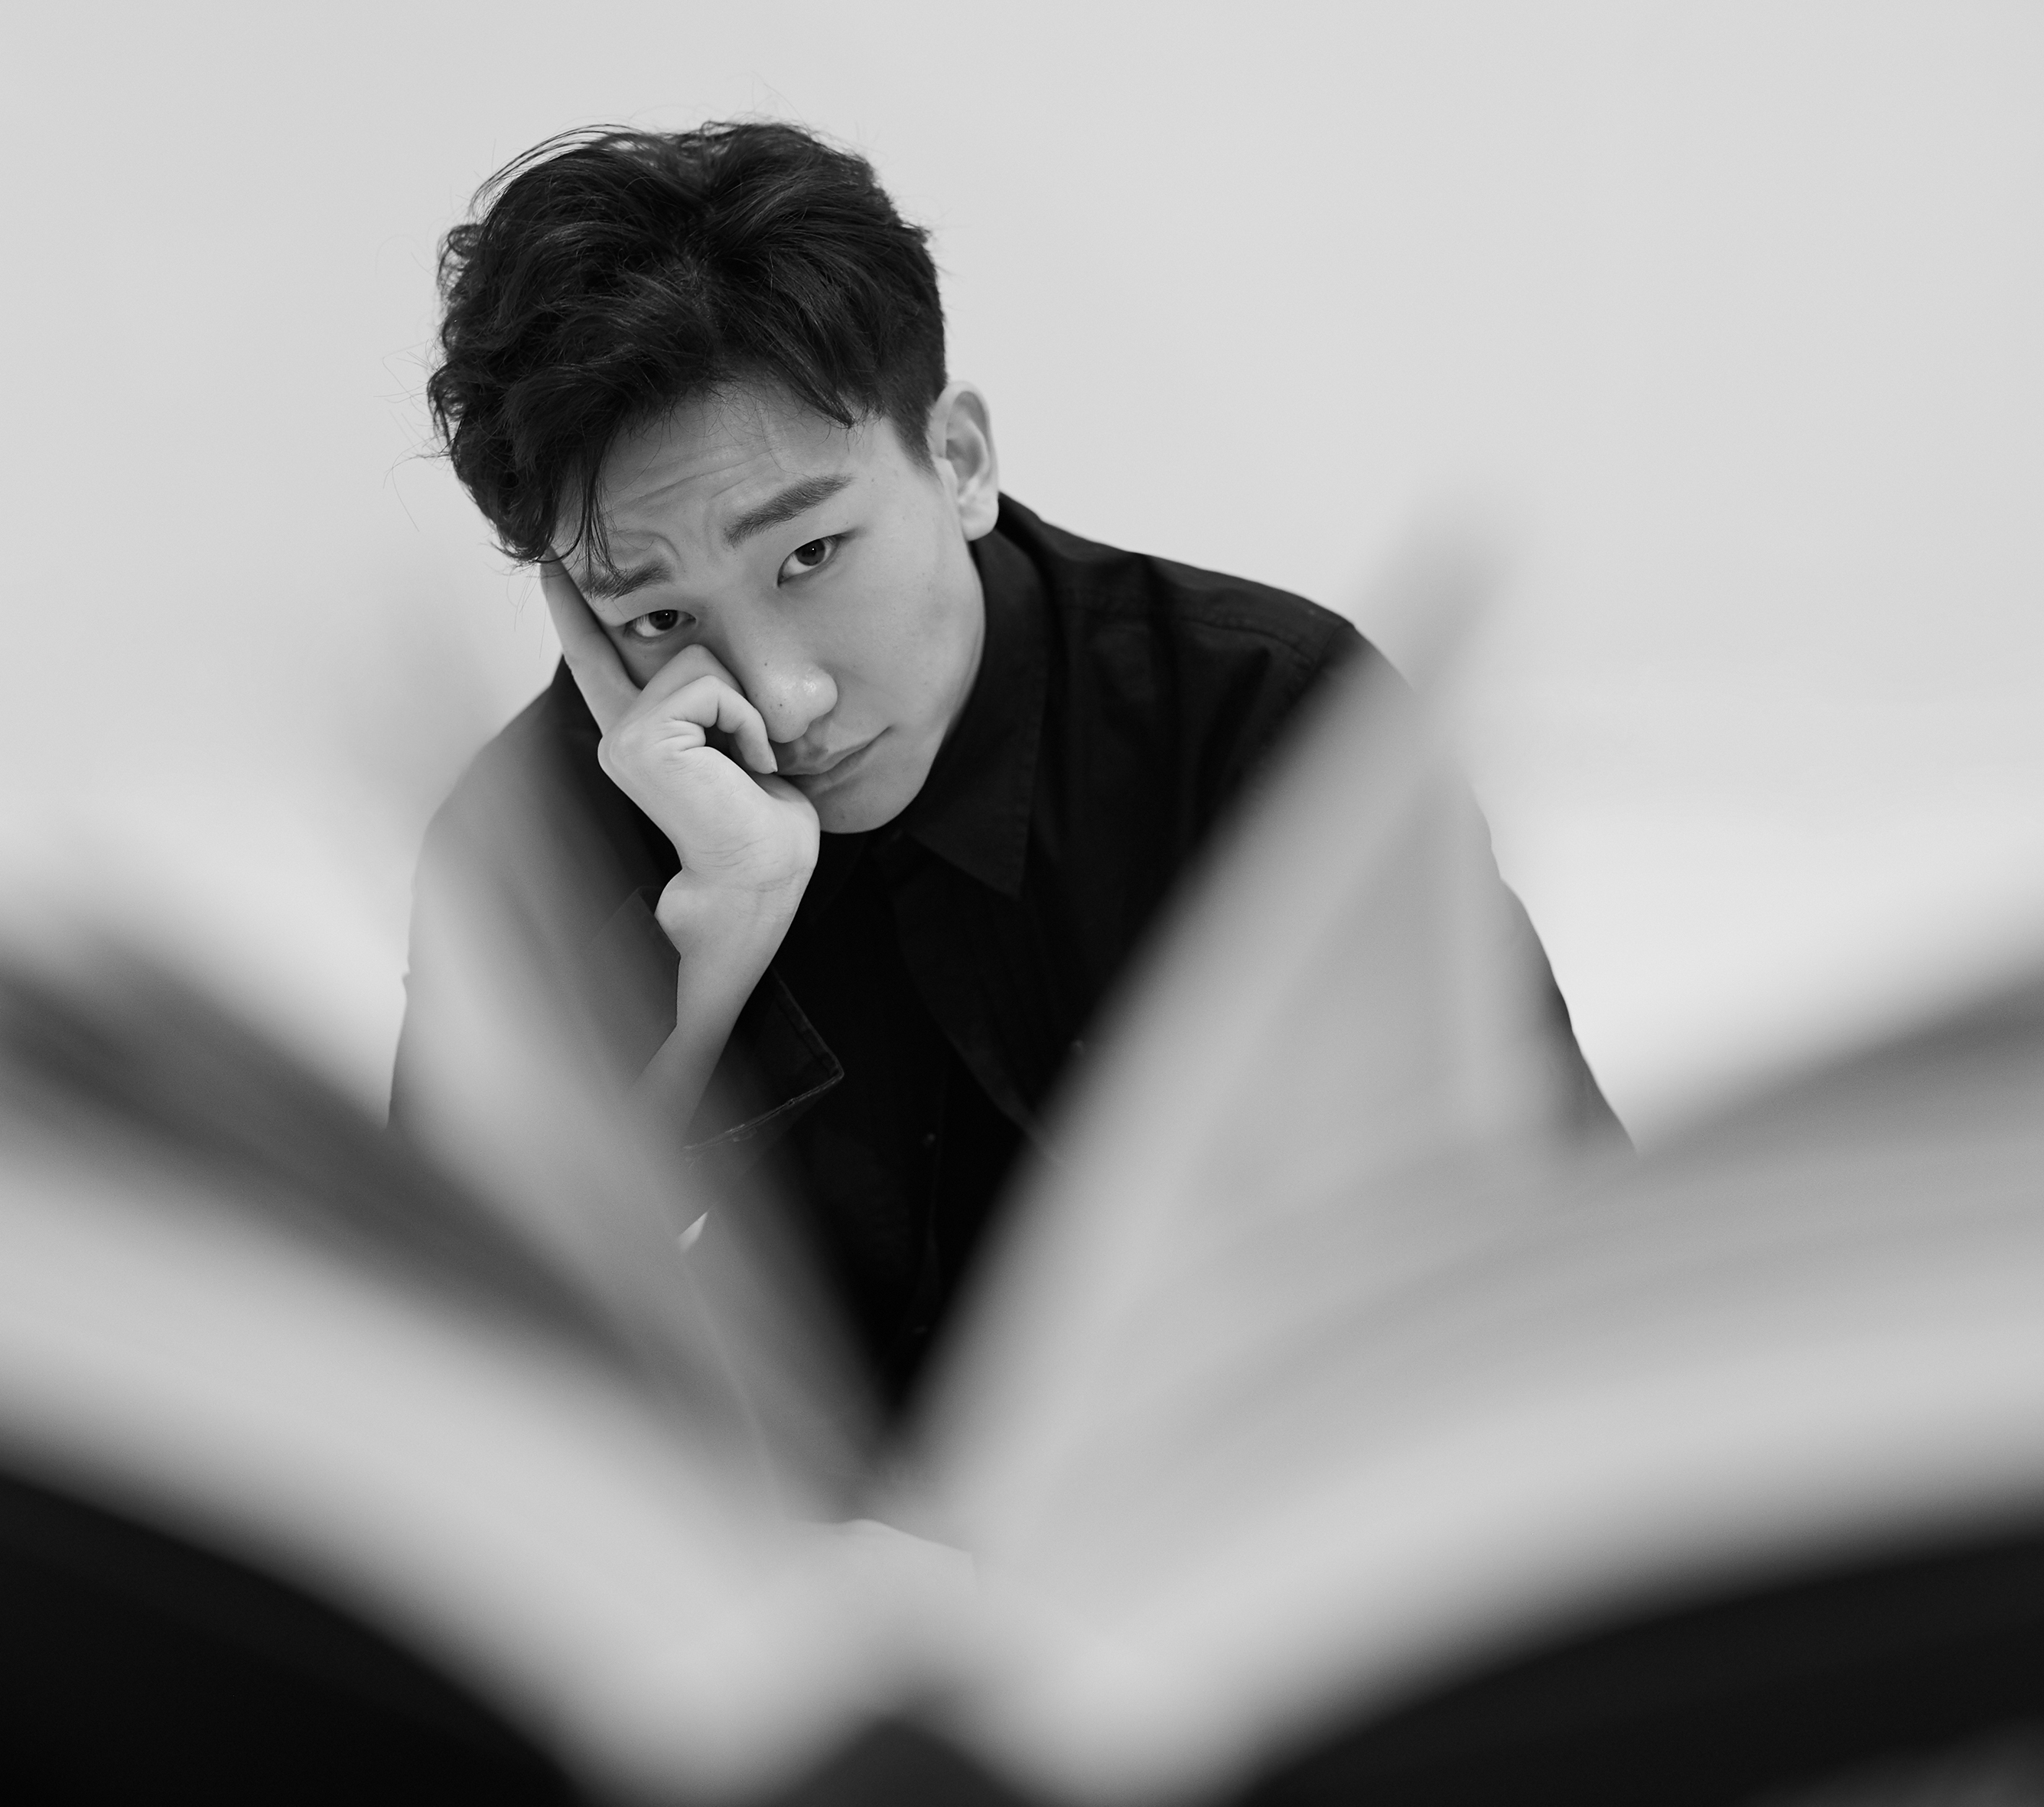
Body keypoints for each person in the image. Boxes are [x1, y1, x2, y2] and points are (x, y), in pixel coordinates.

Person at [401, 120, 1614, 1410]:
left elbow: (1572, 1262)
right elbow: (426, 1383)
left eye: (810, 555)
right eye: (655, 616)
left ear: (961, 460)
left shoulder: (1273, 723)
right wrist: (700, 965)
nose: (783, 697)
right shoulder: (529, 839)